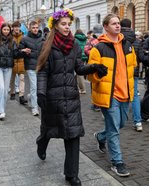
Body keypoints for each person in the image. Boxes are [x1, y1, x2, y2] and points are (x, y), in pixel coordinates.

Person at [36, 8, 107, 186]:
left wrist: (94, 67)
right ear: (56, 26)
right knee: (49, 129)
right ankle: (41, 142)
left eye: (69, 24)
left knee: (73, 134)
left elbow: (79, 69)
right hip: (53, 97)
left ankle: (71, 174)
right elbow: (43, 72)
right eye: (63, 24)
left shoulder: (74, 44)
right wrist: (41, 92)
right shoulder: (47, 44)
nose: (67, 27)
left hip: (72, 96)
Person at [88, 13, 137, 177]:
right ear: (106, 27)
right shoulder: (98, 48)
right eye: (114, 23)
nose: (118, 26)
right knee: (114, 129)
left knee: (120, 124)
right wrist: (97, 73)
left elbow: (133, 66)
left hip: (126, 93)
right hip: (109, 95)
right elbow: (90, 76)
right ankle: (117, 163)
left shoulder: (128, 45)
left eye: (118, 23)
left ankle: (101, 137)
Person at [0, 23, 27, 120]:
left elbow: (16, 53)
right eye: (4, 29)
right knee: (1, 88)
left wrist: (23, 52)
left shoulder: (12, 41)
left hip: (8, 67)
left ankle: (2, 108)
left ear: (10, 30)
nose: (6, 31)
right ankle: (1, 111)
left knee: (5, 91)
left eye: (8, 30)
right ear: (1, 30)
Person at [120, 18, 143, 132]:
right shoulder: (137, 41)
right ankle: (138, 122)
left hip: (119, 72)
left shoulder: (118, 39)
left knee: (117, 94)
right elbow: (141, 57)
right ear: (131, 26)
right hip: (134, 71)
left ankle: (115, 117)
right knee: (134, 96)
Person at [19, 21, 43, 116]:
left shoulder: (42, 39)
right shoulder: (24, 39)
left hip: (40, 66)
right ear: (30, 28)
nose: (35, 29)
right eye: (33, 28)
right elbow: (18, 52)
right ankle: (35, 108)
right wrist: (23, 51)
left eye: (37, 27)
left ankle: (29, 97)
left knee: (39, 88)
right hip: (30, 66)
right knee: (34, 87)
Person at [9, 21, 27, 105]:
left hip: (21, 59)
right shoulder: (9, 37)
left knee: (22, 78)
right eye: (15, 27)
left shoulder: (23, 36)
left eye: (18, 27)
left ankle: (21, 96)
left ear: (20, 27)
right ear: (13, 28)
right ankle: (12, 92)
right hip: (12, 60)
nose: (16, 28)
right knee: (12, 78)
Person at [74, 29, 88, 94]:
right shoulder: (85, 38)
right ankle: (82, 89)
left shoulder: (75, 39)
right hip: (84, 56)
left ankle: (81, 89)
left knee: (78, 73)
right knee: (81, 72)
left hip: (78, 56)